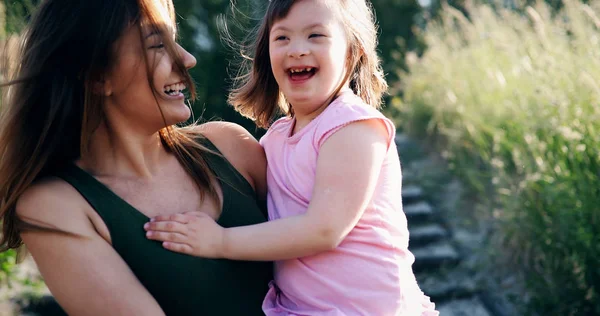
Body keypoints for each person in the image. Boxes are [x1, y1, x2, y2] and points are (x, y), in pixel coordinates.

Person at [144, 0, 439, 315]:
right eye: (282, 38)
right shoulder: (276, 138)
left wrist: (221, 241)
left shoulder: (352, 126)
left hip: (368, 307)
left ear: (352, 53)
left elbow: (325, 229)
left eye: (315, 36)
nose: (297, 49)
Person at [0, 0, 272, 315]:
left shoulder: (232, 147)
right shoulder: (53, 206)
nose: (187, 59)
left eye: (175, 41)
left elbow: (333, 252)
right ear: (96, 76)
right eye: (157, 45)